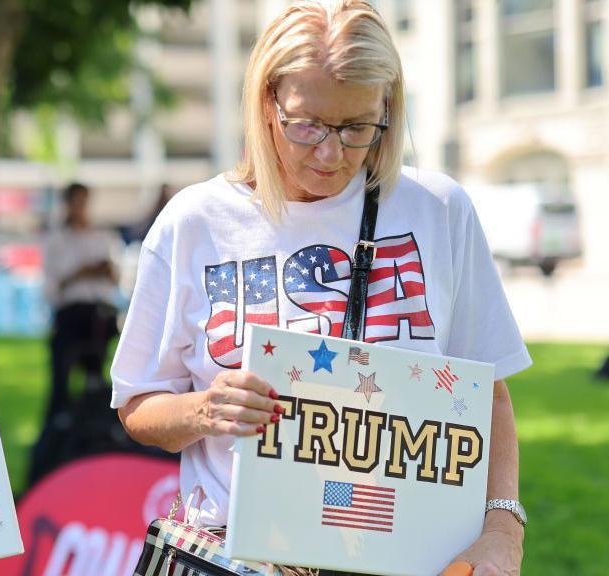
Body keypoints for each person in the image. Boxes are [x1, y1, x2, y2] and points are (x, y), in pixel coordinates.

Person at [110, 2, 531, 575]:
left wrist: (503, 528)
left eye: (357, 126)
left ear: (389, 109)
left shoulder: (438, 211)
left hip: (405, 554)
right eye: (306, 125)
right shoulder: (195, 223)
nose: (331, 154)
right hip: (237, 556)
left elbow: (489, 392)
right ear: (266, 104)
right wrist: (206, 408)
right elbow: (138, 404)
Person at [29, 183, 122, 482]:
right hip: (70, 317)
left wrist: (98, 271)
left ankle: (96, 435)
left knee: (98, 382)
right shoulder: (56, 240)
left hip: (98, 318)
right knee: (61, 387)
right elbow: (53, 287)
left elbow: (113, 279)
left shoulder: (101, 237)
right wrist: (81, 273)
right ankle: (56, 441)